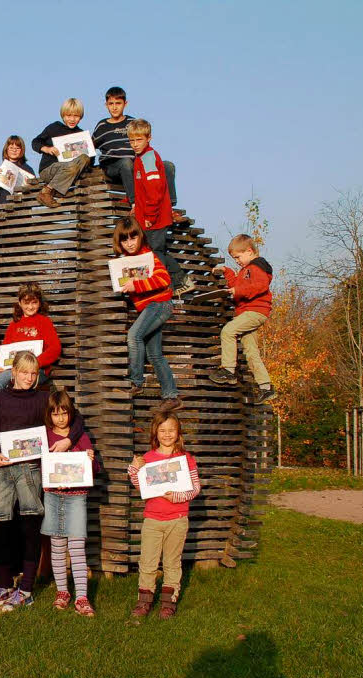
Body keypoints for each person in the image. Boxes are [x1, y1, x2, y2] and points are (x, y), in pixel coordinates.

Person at [0, 351, 85, 612]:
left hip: (30, 470)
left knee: (30, 528)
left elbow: (77, 418)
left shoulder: (43, 398)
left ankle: (26, 589)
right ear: (13, 371)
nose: (29, 377)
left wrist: (69, 440)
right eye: (24, 372)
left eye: (33, 372)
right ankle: (5, 585)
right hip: (2, 469)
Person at [127, 409, 200, 619]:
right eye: (162, 430)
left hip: (177, 519)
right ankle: (144, 601)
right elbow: (141, 487)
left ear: (178, 433)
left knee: (172, 562)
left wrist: (176, 497)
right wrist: (134, 469)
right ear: (155, 433)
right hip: (153, 519)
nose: (167, 434)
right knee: (148, 562)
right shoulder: (148, 458)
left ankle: (168, 602)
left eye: (171, 430)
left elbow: (195, 488)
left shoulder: (186, 459)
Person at [92, 86, 188, 225]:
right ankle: (135, 205)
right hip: (112, 165)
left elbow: (142, 144)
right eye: (111, 104)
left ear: (125, 104)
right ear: (106, 105)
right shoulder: (102, 125)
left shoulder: (132, 123)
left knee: (167, 166)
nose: (114, 107)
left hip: (136, 165)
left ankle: (170, 208)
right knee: (126, 163)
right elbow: (90, 146)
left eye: (118, 103)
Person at [114, 217, 182, 412]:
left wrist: (135, 284)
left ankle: (135, 381)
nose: (130, 243)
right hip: (149, 308)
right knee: (155, 354)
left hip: (160, 304)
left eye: (133, 238)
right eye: (125, 240)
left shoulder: (148, 256)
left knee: (133, 336)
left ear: (140, 237)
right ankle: (171, 396)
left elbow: (163, 279)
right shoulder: (125, 262)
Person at [42, 390, 99, 617]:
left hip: (77, 496)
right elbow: (42, 466)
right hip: (53, 496)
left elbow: (92, 471)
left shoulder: (80, 437)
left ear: (70, 413)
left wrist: (91, 461)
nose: (61, 418)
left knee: (76, 547)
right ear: (49, 415)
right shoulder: (45, 437)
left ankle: (82, 597)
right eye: (55, 414)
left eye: (64, 413)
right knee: (57, 547)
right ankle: (62, 592)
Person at [127, 119, 195, 296]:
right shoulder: (141, 158)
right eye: (132, 141)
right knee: (157, 252)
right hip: (149, 216)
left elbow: (155, 189)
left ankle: (165, 288)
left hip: (155, 218)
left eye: (139, 140)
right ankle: (181, 280)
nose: (135, 144)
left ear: (148, 138)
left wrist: (149, 215)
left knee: (155, 255)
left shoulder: (148, 158)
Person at [208, 234, 276, 404]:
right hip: (248, 313)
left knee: (228, 331)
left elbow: (260, 286)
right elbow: (237, 286)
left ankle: (229, 371)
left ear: (249, 251)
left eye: (238, 257)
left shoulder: (257, 267)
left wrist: (237, 292)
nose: (237, 260)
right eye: (234, 258)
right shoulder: (246, 270)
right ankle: (266, 387)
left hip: (255, 311)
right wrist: (227, 271)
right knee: (251, 350)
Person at [0, 283, 61, 416]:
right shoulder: (14, 325)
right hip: (15, 370)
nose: (30, 307)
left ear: (39, 303)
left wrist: (34, 363)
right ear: (20, 303)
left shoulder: (44, 322)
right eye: (26, 303)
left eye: (34, 302)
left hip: (37, 370)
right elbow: (4, 350)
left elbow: (55, 348)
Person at [31, 98, 92, 208]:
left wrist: (90, 148)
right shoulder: (54, 128)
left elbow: (88, 162)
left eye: (76, 116)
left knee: (85, 158)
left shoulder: (80, 134)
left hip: (70, 171)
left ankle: (57, 190)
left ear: (81, 116)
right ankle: (46, 192)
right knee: (71, 166)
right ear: (63, 115)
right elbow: (35, 142)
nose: (72, 119)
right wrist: (47, 149)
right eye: (68, 116)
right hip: (49, 169)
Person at [0, 135, 36, 205]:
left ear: (22, 150)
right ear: (6, 149)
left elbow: (34, 192)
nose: (14, 150)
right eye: (11, 148)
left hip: (23, 208)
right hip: (5, 206)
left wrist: (29, 186)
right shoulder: (2, 168)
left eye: (17, 148)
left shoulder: (28, 169)